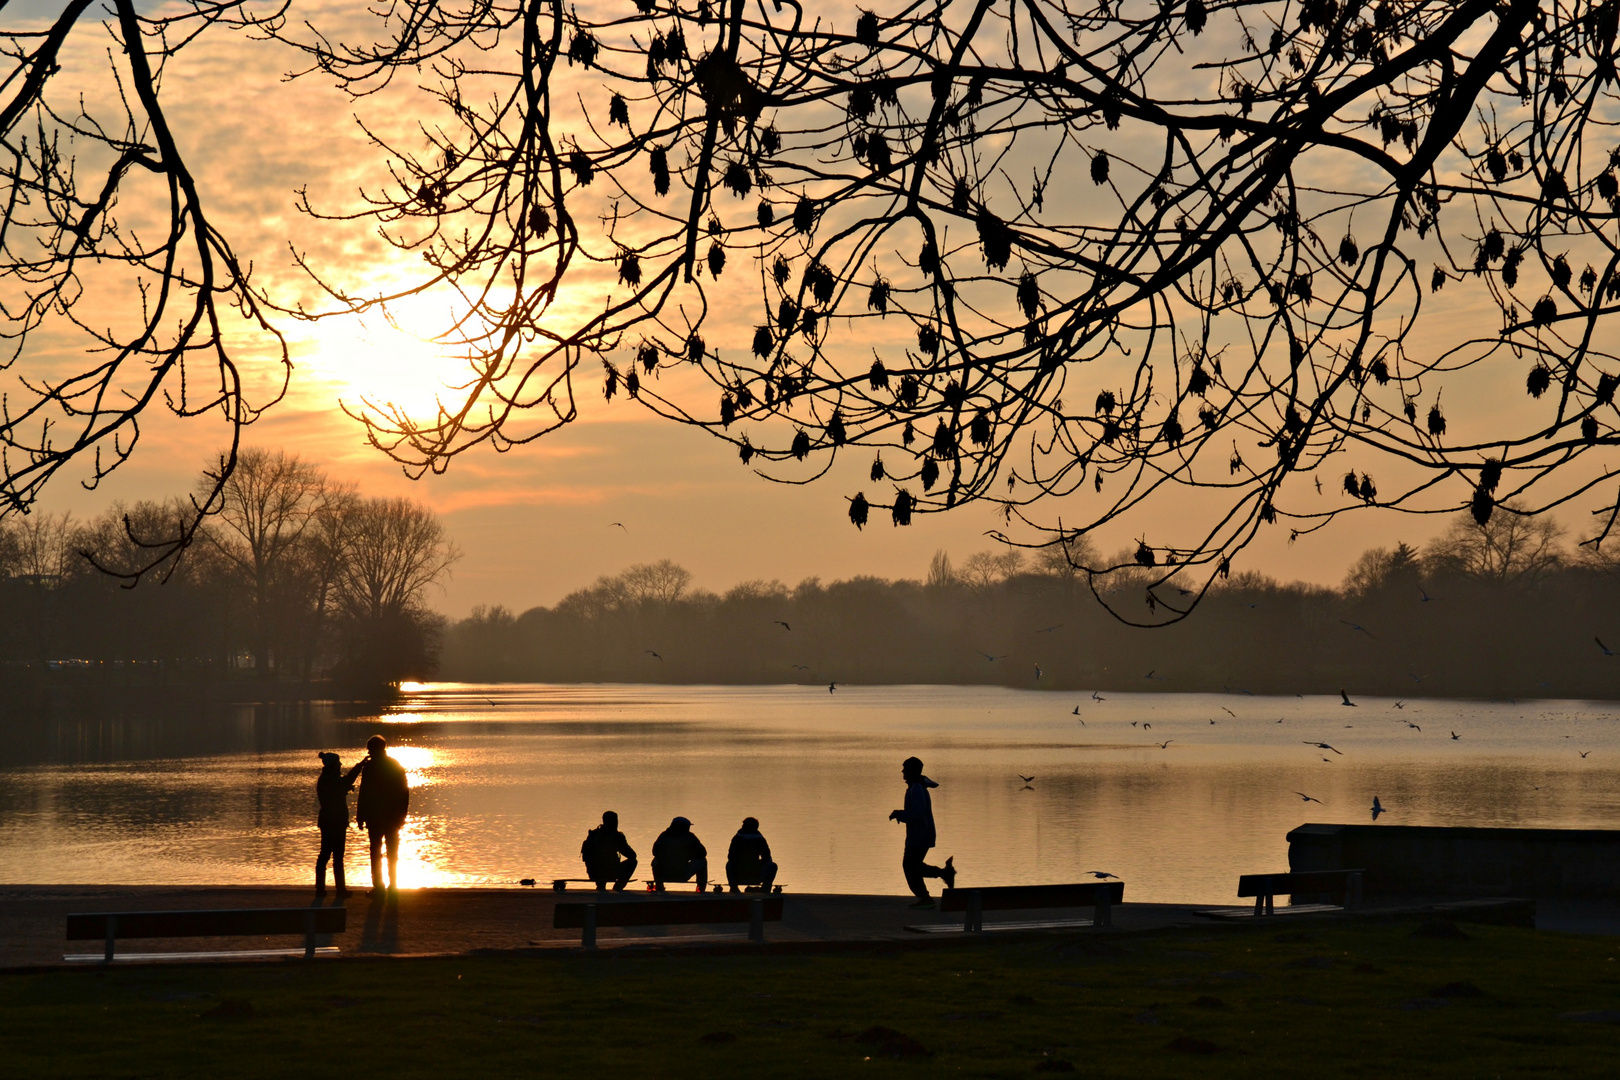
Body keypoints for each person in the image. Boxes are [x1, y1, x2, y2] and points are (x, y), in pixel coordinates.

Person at [888, 755, 955, 909]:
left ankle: (926, 897)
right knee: (914, 866)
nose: (902, 771)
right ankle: (944, 876)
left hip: (920, 836)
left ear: (911, 771)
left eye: (904, 769)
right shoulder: (916, 787)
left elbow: (917, 814)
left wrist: (899, 814)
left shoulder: (916, 789)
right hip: (920, 834)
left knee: (910, 867)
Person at [355, 734, 410, 894]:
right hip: (389, 817)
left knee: (377, 851)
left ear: (375, 749)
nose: (368, 752)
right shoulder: (394, 765)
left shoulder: (371, 767)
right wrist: (402, 815)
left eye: (370, 749)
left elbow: (364, 792)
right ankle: (391, 886)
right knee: (390, 851)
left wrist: (361, 815)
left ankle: (380, 886)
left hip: (378, 816)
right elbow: (404, 792)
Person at [315, 752, 365, 899]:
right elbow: (347, 780)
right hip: (335, 822)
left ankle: (322, 889)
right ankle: (339, 890)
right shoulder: (331, 780)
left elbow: (344, 783)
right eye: (338, 764)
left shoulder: (326, 779)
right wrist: (360, 766)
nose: (340, 766)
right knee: (334, 856)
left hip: (327, 821)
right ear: (333, 766)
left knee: (326, 855)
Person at [580, 810, 638, 891]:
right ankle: (618, 887)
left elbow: (586, 858)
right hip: (610, 872)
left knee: (599, 864)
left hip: (593, 873)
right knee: (633, 861)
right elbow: (632, 855)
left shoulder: (593, 834)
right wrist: (621, 841)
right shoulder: (616, 836)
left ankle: (600, 886)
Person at [651, 816, 708, 892]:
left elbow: (654, 852)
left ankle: (659, 886)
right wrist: (690, 856)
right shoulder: (690, 837)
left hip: (664, 874)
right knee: (702, 861)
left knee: (655, 860)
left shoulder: (664, 836)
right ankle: (701, 888)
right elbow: (703, 853)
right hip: (682, 873)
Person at [725, 816, 778, 893]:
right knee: (773, 865)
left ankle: (733, 887)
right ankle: (765, 889)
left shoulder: (737, 838)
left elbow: (730, 856)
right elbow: (766, 857)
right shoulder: (760, 839)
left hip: (739, 872)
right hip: (755, 872)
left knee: (729, 864)